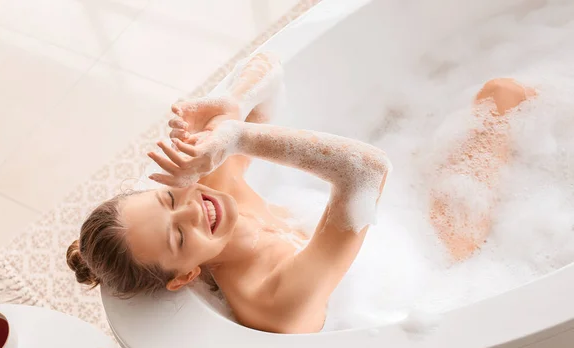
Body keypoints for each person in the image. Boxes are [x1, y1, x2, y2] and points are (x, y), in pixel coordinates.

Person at [67, 52, 534, 333]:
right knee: (504, 92)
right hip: (440, 248)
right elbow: (369, 170)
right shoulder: (270, 298)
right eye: (178, 239)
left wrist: (233, 105)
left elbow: (269, 68)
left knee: (500, 94)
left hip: (393, 214)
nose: (194, 211)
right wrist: (238, 137)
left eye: (169, 200)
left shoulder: (210, 190)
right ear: (186, 276)